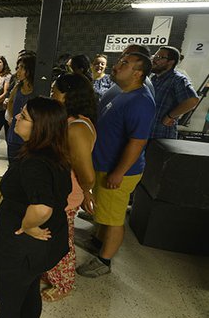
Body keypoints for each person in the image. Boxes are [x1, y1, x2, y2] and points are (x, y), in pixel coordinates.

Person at [0, 96, 71, 318]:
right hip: (46, 245)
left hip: (23, 246)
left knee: (8, 304)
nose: (16, 118)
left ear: (41, 127)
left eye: (23, 116)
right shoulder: (55, 152)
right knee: (30, 289)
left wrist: (28, 225)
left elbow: (42, 207)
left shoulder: (35, 162)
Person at [76, 53, 155, 278]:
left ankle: (104, 260)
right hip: (104, 164)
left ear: (138, 73)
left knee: (114, 219)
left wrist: (119, 172)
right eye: (120, 61)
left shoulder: (141, 102)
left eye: (124, 64)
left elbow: (137, 142)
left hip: (118, 171)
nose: (117, 66)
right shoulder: (122, 91)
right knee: (105, 212)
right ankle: (97, 241)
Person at [42, 74, 97, 301]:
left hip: (65, 195)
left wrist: (85, 191)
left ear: (69, 95)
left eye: (55, 91)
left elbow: (87, 174)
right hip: (55, 191)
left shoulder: (77, 128)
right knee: (48, 235)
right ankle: (48, 272)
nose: (51, 94)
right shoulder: (67, 121)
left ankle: (63, 284)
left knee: (61, 240)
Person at [149, 45, 199, 139]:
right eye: (154, 56)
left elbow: (192, 100)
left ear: (171, 62)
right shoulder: (153, 78)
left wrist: (170, 116)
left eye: (159, 57)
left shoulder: (177, 80)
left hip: (161, 135)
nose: (154, 60)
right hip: (147, 133)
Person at [6, 53, 36, 163]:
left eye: (22, 68)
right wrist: (11, 117)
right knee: (13, 163)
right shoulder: (17, 87)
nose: (18, 71)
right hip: (14, 134)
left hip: (29, 136)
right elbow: (10, 102)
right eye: (18, 68)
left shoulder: (37, 89)